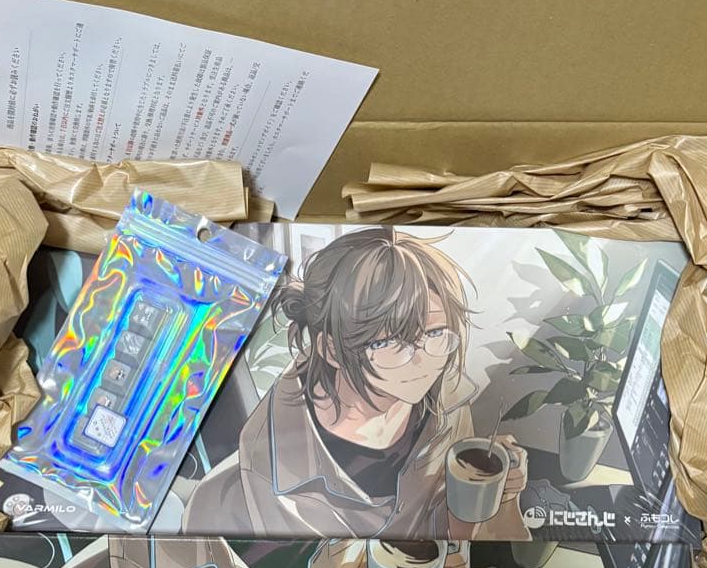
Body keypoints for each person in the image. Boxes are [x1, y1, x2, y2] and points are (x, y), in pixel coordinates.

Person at [182, 226, 531, 542]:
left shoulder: (449, 408)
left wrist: (500, 500)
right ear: (332, 349)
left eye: (436, 333)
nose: (423, 359)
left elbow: (468, 539)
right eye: (391, 342)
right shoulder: (259, 480)